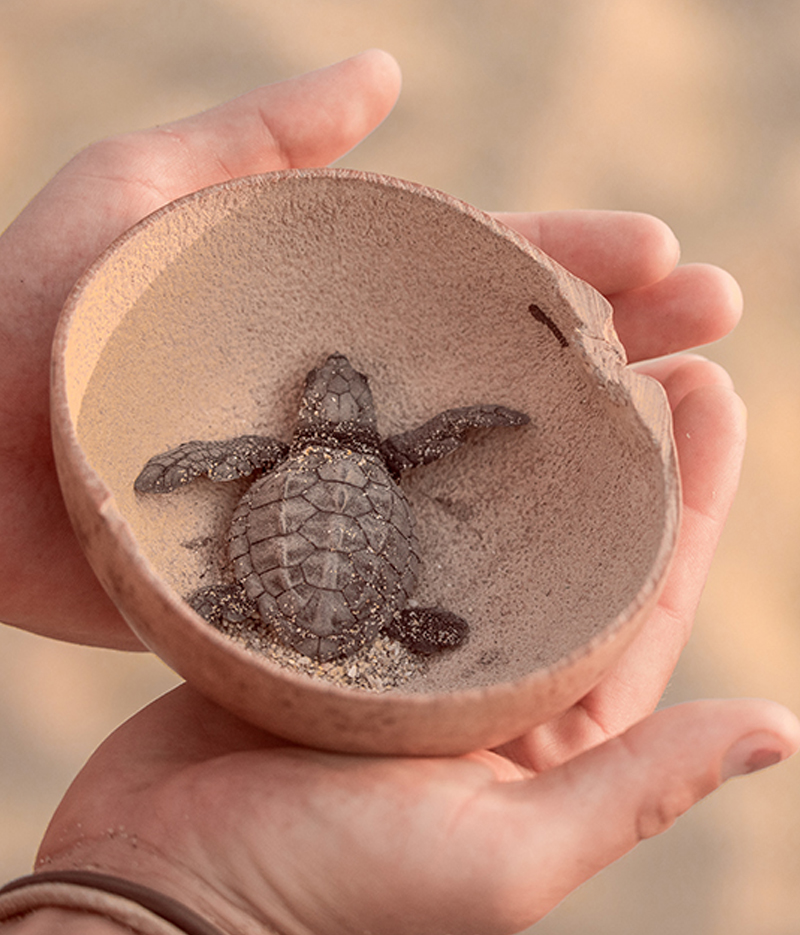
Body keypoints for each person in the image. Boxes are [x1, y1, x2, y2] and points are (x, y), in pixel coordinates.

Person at [0, 50, 796, 935]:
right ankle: (382, 626)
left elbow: (209, 459)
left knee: (240, 531)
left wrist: (162, 466)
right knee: (376, 571)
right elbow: (445, 430)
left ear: (308, 416)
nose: (336, 388)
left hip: (274, 571)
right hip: (365, 599)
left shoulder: (276, 452)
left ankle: (245, 609)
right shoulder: (394, 455)